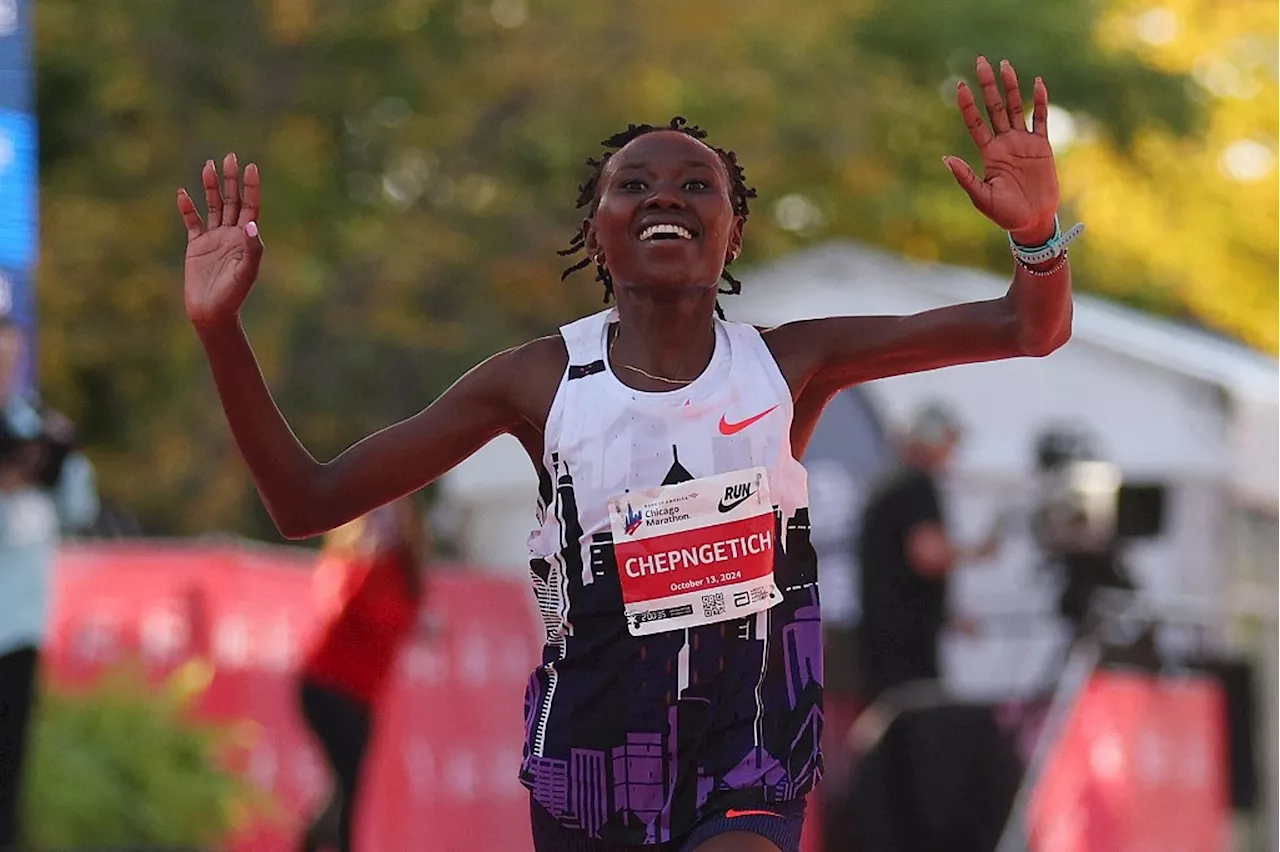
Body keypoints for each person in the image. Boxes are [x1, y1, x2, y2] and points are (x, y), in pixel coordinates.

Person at [176, 56, 1074, 852]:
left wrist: (1037, 238)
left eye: (696, 185)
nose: (666, 197)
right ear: (595, 232)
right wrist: (220, 332)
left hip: (749, 738)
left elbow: (1027, 328)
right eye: (633, 184)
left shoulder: (792, 364)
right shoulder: (535, 382)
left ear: (735, 232)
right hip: (594, 752)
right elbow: (307, 501)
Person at [0, 317, 99, 851]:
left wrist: (55, 462)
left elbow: (80, 507)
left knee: (10, 761)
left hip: (17, 622)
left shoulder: (32, 423)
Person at [296, 497, 429, 852]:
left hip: (362, 696)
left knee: (345, 789)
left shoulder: (405, 570)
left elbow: (401, 617)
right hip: (329, 687)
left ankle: (312, 842)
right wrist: (363, 554)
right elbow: (341, 607)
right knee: (348, 787)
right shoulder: (354, 563)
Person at [855, 402, 1001, 703]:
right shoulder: (915, 485)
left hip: (886, 637)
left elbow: (896, 569)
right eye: (949, 442)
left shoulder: (890, 483)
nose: (952, 454)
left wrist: (947, 615)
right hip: (905, 646)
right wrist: (979, 551)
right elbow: (926, 555)